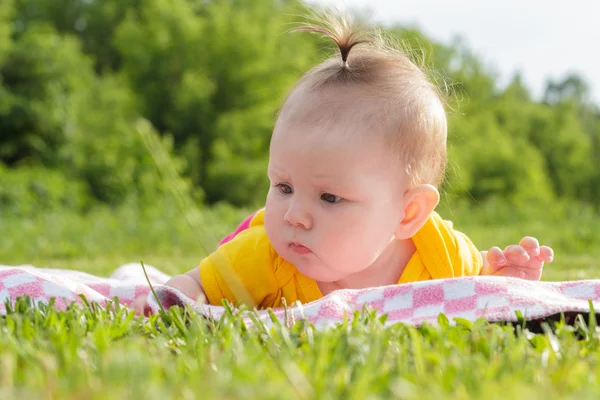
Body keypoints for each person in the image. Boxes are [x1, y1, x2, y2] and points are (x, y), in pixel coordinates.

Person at [132, 12, 553, 314]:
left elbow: (482, 286)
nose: (295, 215)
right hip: (249, 239)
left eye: (330, 198)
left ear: (408, 214)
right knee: (185, 260)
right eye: (283, 186)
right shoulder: (268, 256)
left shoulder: (438, 254)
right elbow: (193, 286)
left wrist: (508, 276)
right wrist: (176, 300)